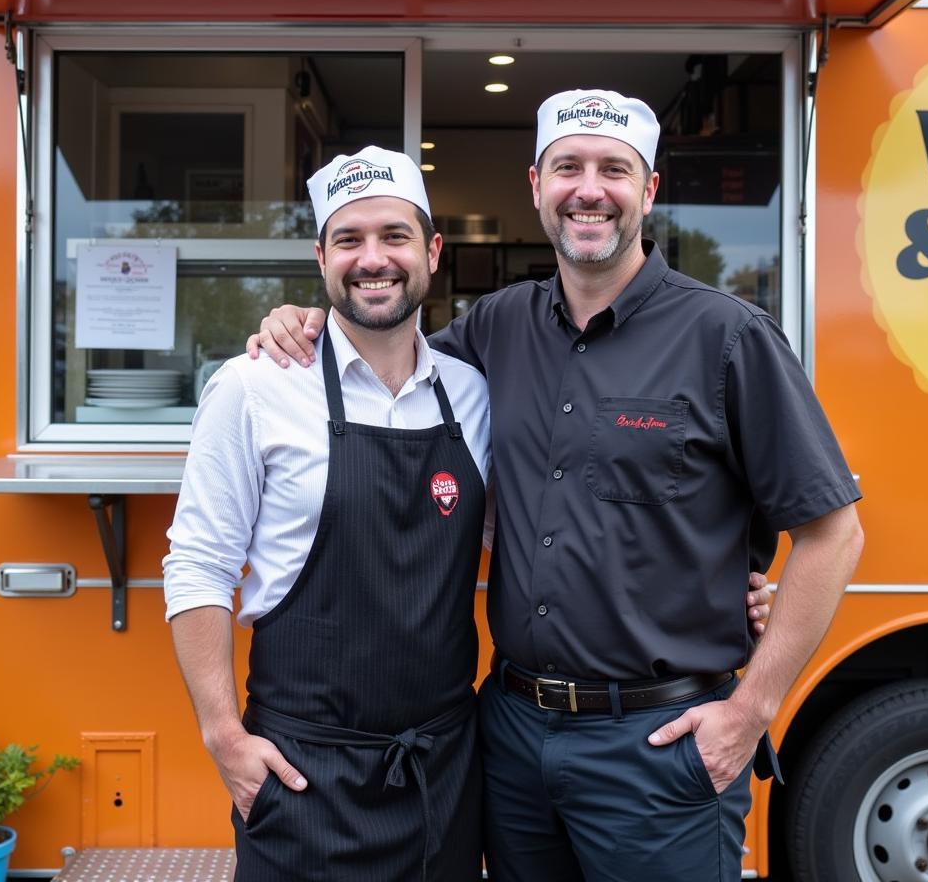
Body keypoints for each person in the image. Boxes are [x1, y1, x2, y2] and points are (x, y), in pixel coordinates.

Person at [251, 90, 854, 882]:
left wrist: (752, 711)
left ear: (650, 191)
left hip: (658, 747)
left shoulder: (727, 337)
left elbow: (833, 532)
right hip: (511, 737)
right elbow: (383, 350)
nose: (590, 190)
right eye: (569, 168)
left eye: (614, 169)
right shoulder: (494, 328)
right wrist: (298, 320)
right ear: (537, 186)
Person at [163, 147, 493, 881]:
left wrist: (730, 582)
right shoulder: (253, 386)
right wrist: (223, 737)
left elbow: (542, 530)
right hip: (300, 775)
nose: (373, 259)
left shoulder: (474, 394)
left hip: (442, 771)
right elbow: (199, 565)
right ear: (321, 257)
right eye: (349, 240)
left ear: (432, 252)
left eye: (395, 236)